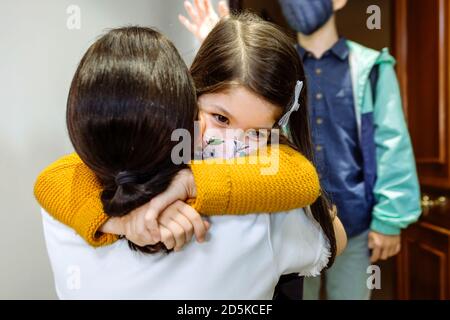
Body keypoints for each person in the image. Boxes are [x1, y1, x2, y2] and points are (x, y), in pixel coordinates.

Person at [38, 25, 346, 299]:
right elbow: (54, 177)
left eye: (257, 133)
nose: (230, 145)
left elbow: (301, 177)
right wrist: (121, 220)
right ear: (186, 95)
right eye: (220, 118)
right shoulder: (264, 220)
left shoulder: (61, 217)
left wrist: (191, 183)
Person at [276, 0, 421, 299]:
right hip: (291, 224)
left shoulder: (372, 68)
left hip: (355, 226)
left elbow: (392, 144)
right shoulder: (276, 67)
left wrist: (390, 221)